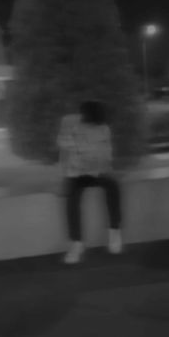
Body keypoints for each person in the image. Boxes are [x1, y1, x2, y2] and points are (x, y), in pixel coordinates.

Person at [57, 100, 122, 264]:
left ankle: (114, 232)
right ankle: (77, 243)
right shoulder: (71, 123)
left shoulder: (103, 128)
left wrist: (86, 155)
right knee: (71, 197)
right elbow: (63, 143)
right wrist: (79, 152)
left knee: (113, 186)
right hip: (76, 173)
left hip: (97, 172)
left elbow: (106, 155)